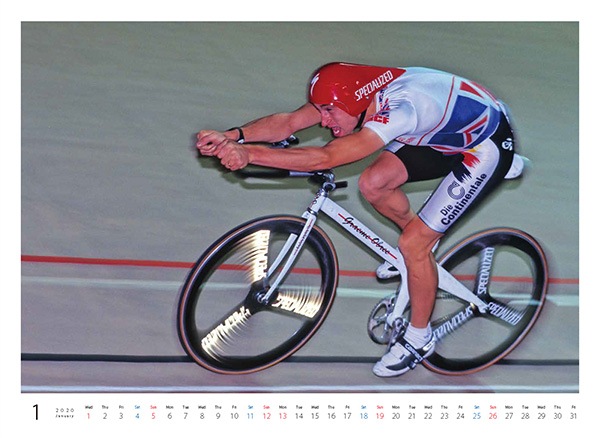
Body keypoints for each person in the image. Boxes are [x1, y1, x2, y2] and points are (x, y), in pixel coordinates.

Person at [196, 62, 523, 377]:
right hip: (441, 132)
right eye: (321, 111)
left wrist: (251, 154)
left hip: (485, 146)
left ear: (353, 103)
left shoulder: (402, 111)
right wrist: (232, 136)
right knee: (373, 183)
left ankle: (419, 338)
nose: (324, 121)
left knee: (413, 245)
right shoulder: (352, 95)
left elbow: (326, 157)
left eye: (329, 112)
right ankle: (423, 251)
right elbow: (290, 122)